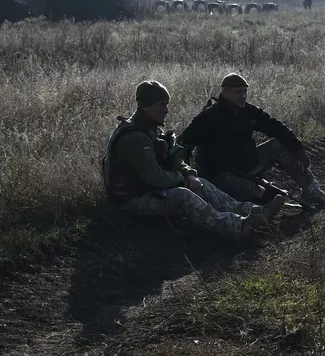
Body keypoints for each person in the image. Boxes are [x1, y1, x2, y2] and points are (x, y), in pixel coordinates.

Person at [102, 80, 285, 242]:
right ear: (146, 105)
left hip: (149, 191)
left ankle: (253, 212)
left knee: (201, 184)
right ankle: (238, 228)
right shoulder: (134, 137)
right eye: (161, 104)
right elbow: (154, 178)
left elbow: (174, 159)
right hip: (131, 200)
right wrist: (182, 179)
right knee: (183, 196)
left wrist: (189, 173)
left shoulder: (150, 129)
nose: (166, 110)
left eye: (167, 104)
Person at [177, 73, 325, 208]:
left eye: (245, 91)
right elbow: (183, 143)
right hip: (221, 175)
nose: (243, 96)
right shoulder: (208, 117)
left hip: (249, 164)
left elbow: (276, 127)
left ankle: (313, 192)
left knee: (279, 144)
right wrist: (188, 176)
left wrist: (298, 149)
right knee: (259, 196)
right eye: (238, 92)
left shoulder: (249, 111)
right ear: (224, 92)